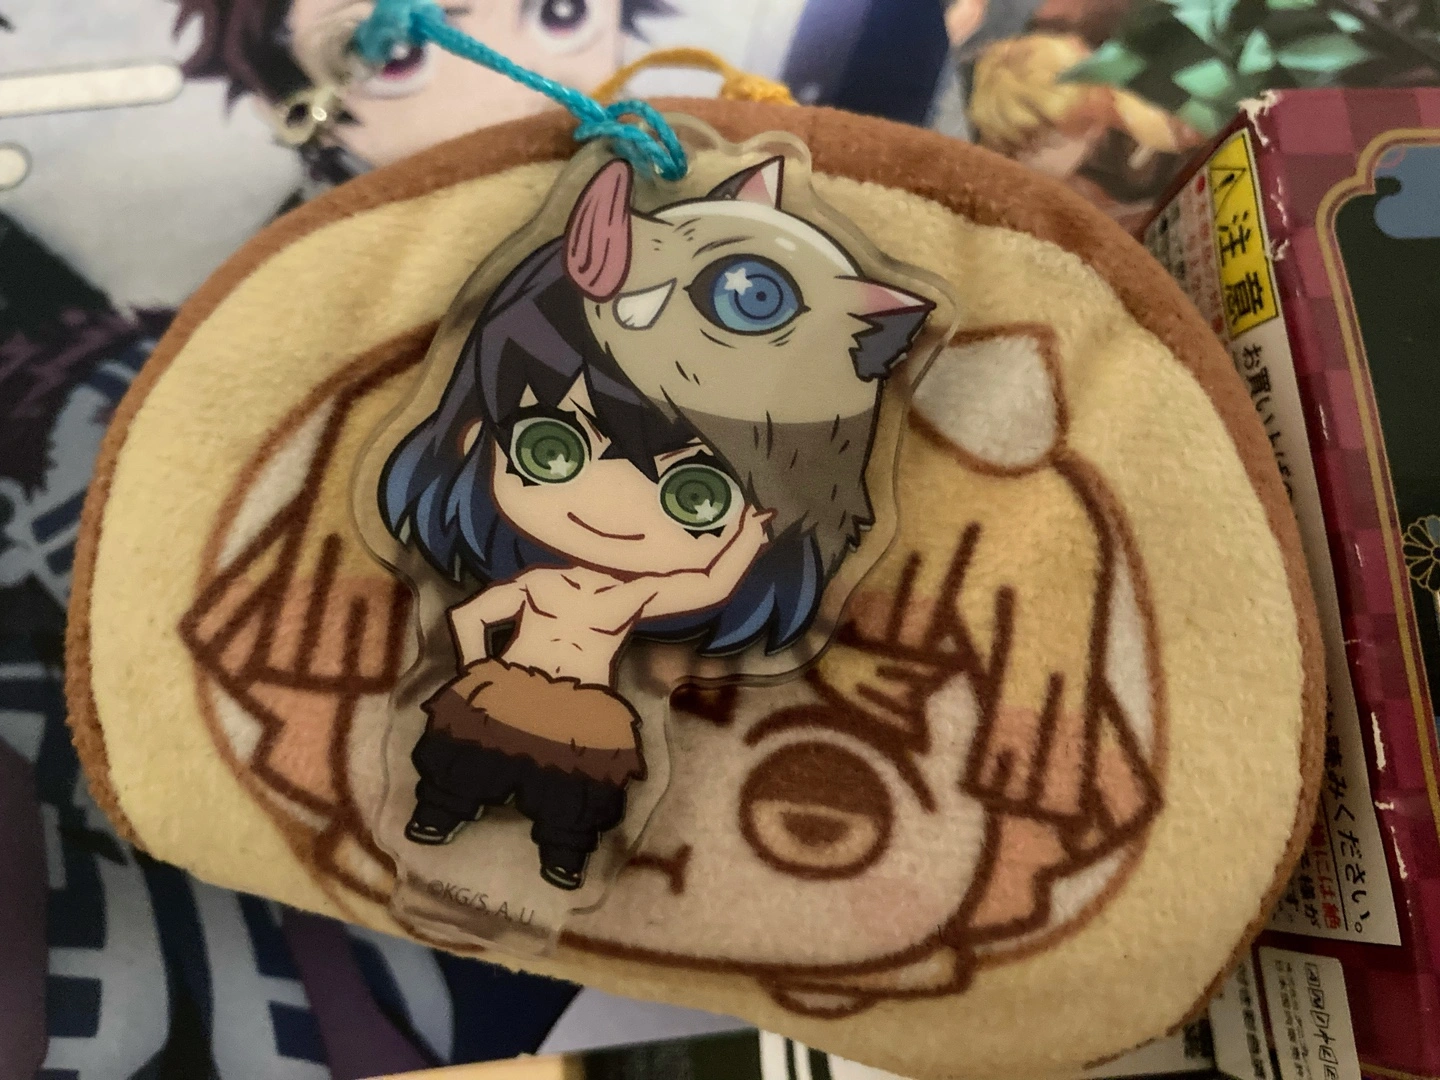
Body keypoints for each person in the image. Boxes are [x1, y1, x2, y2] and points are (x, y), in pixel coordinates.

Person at [379, 156, 933, 889]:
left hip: (582, 708)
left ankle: (563, 852)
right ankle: (442, 813)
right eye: (552, 448)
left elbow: (708, 582)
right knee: (462, 762)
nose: (604, 503)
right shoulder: (547, 587)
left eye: (695, 496)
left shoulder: (630, 598)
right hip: (507, 688)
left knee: (575, 791)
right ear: (478, 429)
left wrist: (747, 539)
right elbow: (472, 615)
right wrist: (480, 667)